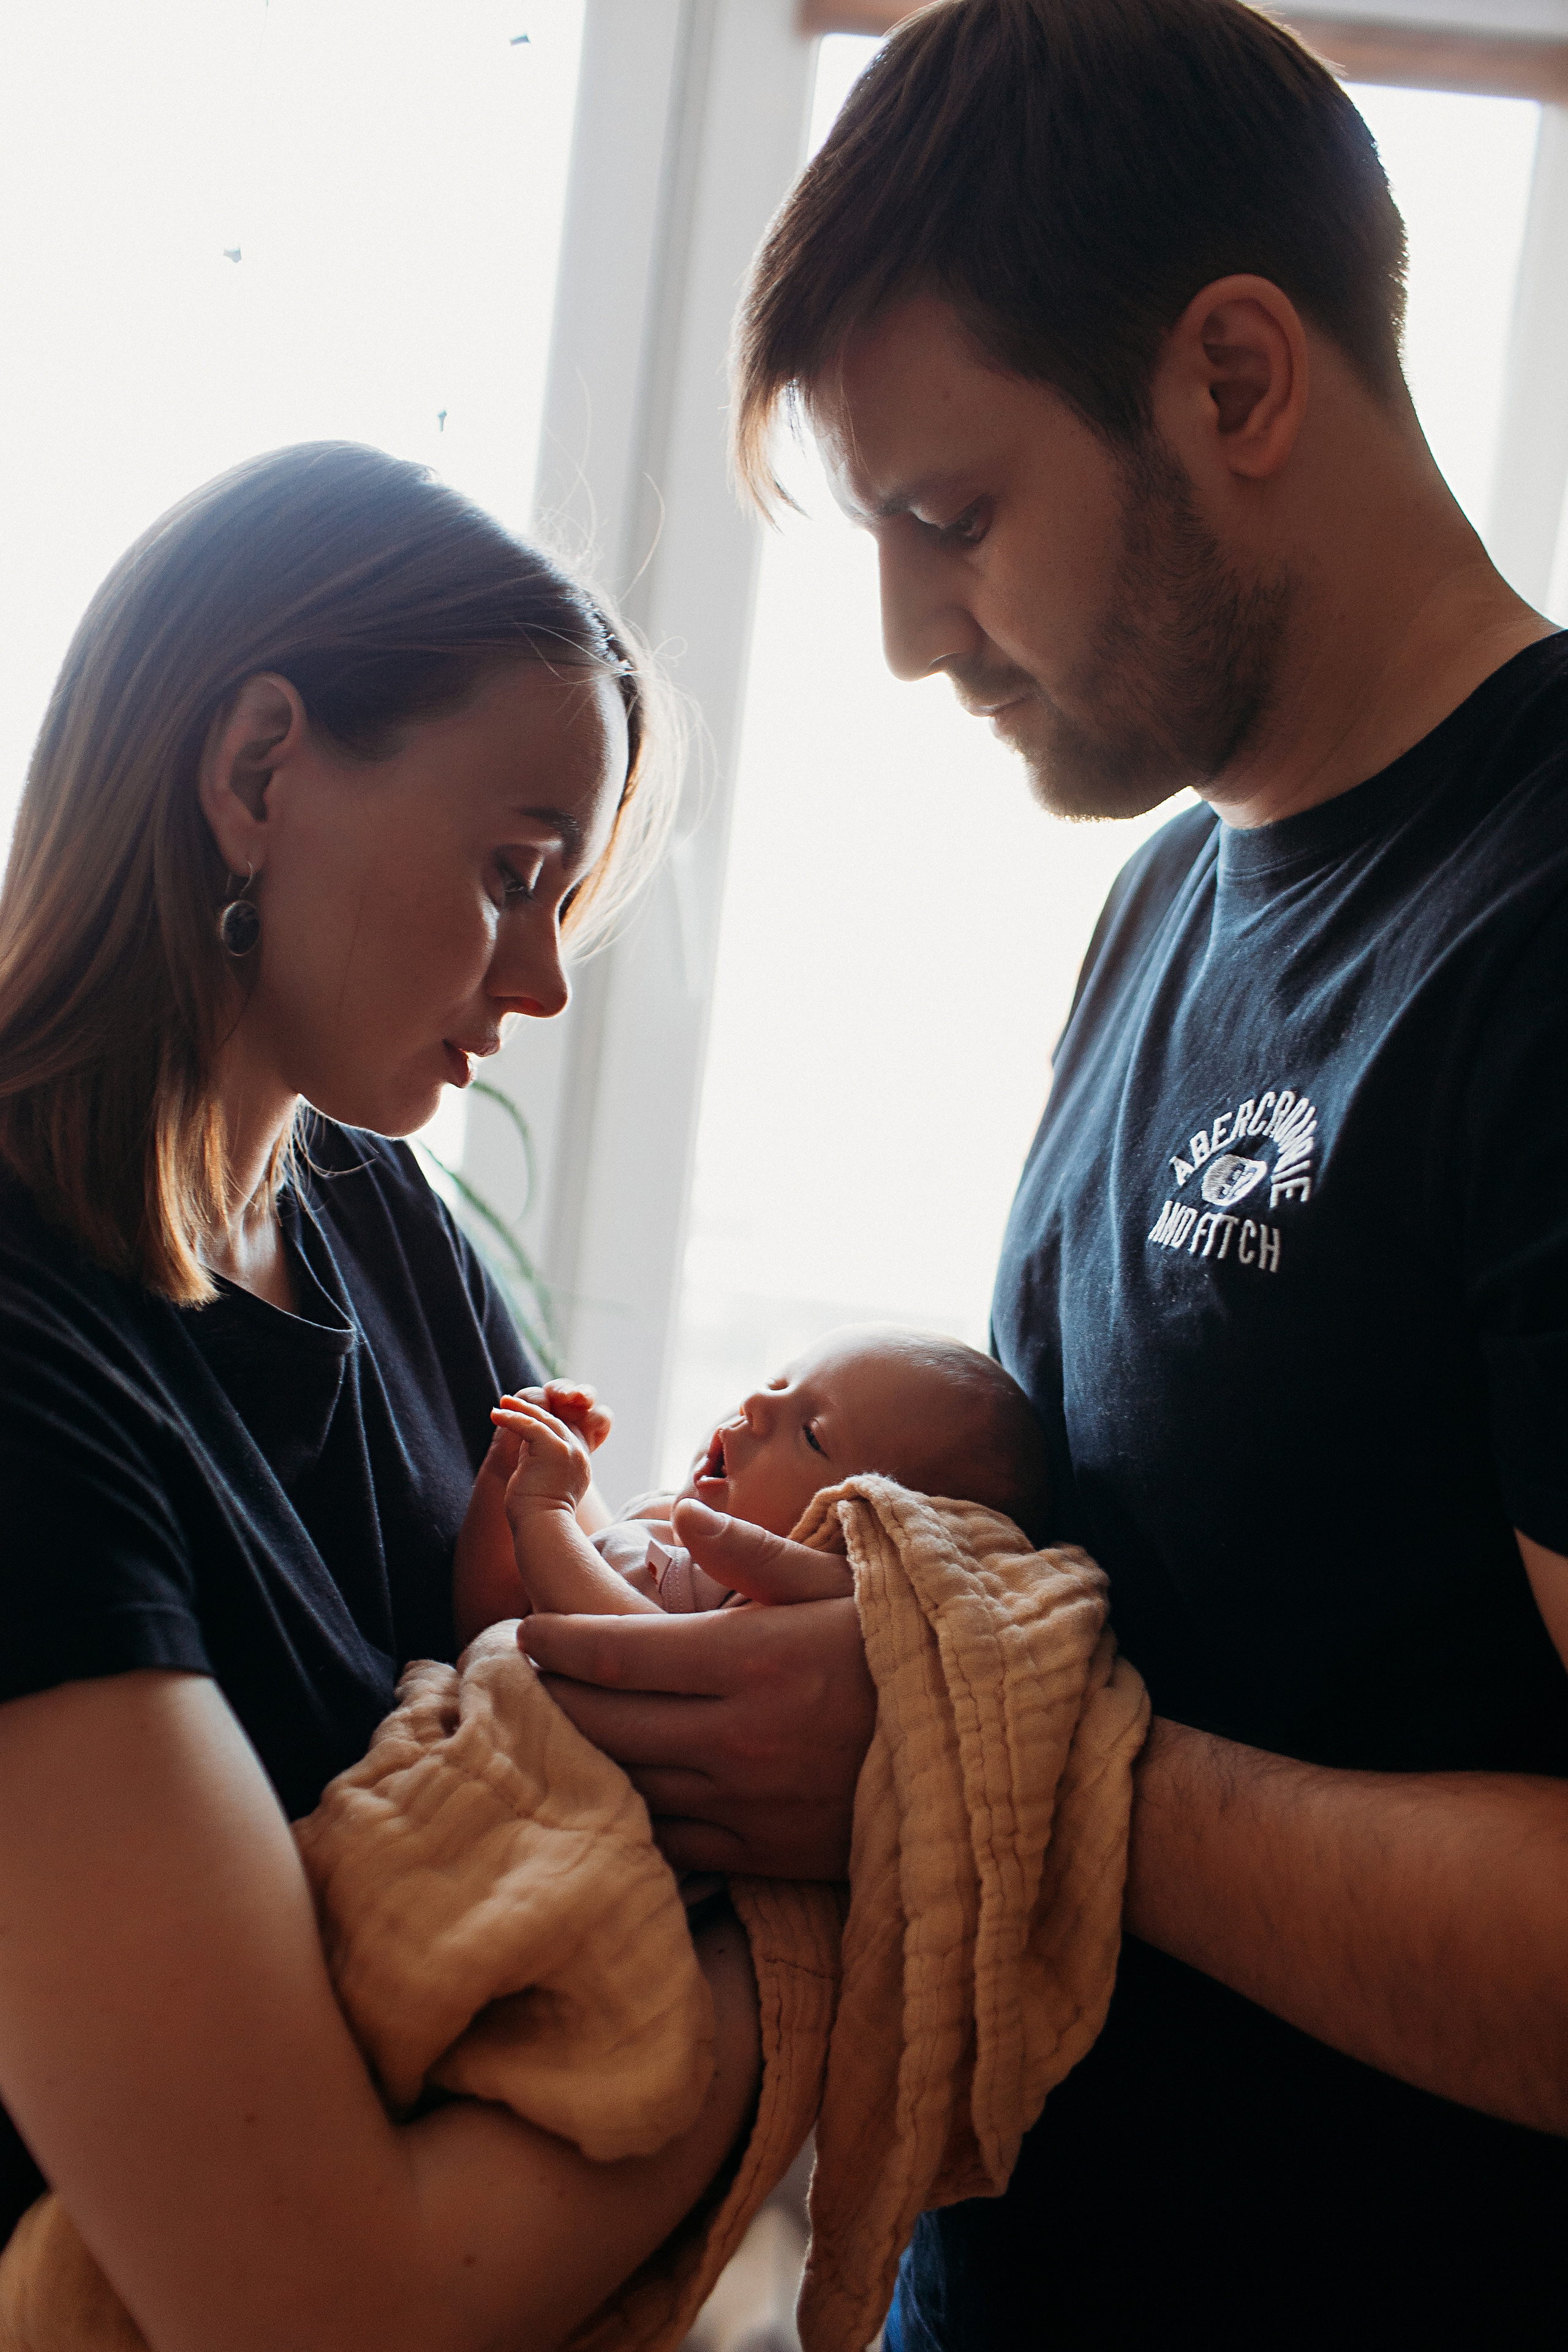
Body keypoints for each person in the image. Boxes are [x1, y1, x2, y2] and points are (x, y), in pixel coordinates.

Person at [519, 0, 1568, 2338]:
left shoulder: (1535, 922)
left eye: (952, 519)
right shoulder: (1169, 898)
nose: (909, 638)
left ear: (1233, 379)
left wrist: (988, 1764)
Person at [0, 442, 762, 2350]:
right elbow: (314, 2308)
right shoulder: (25, 1364)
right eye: (513, 872)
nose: (545, 982)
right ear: (260, 770)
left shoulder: (366, 1210)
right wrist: (810, 1965)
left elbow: (560, 1715)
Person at [451, 1328, 1049, 1632]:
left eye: (811, 1435)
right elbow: (491, 1626)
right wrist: (513, 1475)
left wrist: (545, 1512)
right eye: (778, 1382)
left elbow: (618, 1653)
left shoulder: (753, 1609)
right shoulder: (663, 1526)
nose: (756, 1404)